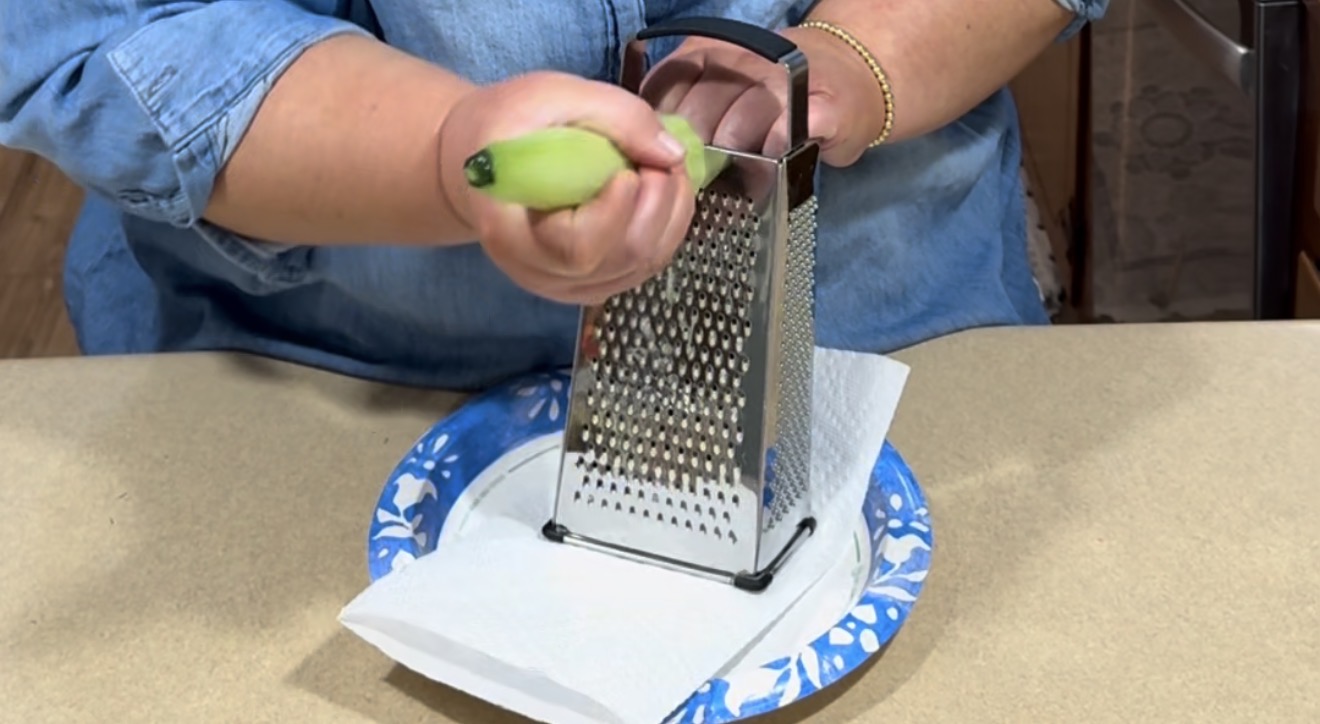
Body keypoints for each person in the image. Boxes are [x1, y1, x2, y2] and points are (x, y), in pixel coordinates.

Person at [0, 0, 1107, 391]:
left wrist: (857, 62)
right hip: (323, 382)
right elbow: (104, 29)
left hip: (878, 342)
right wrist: (437, 151)